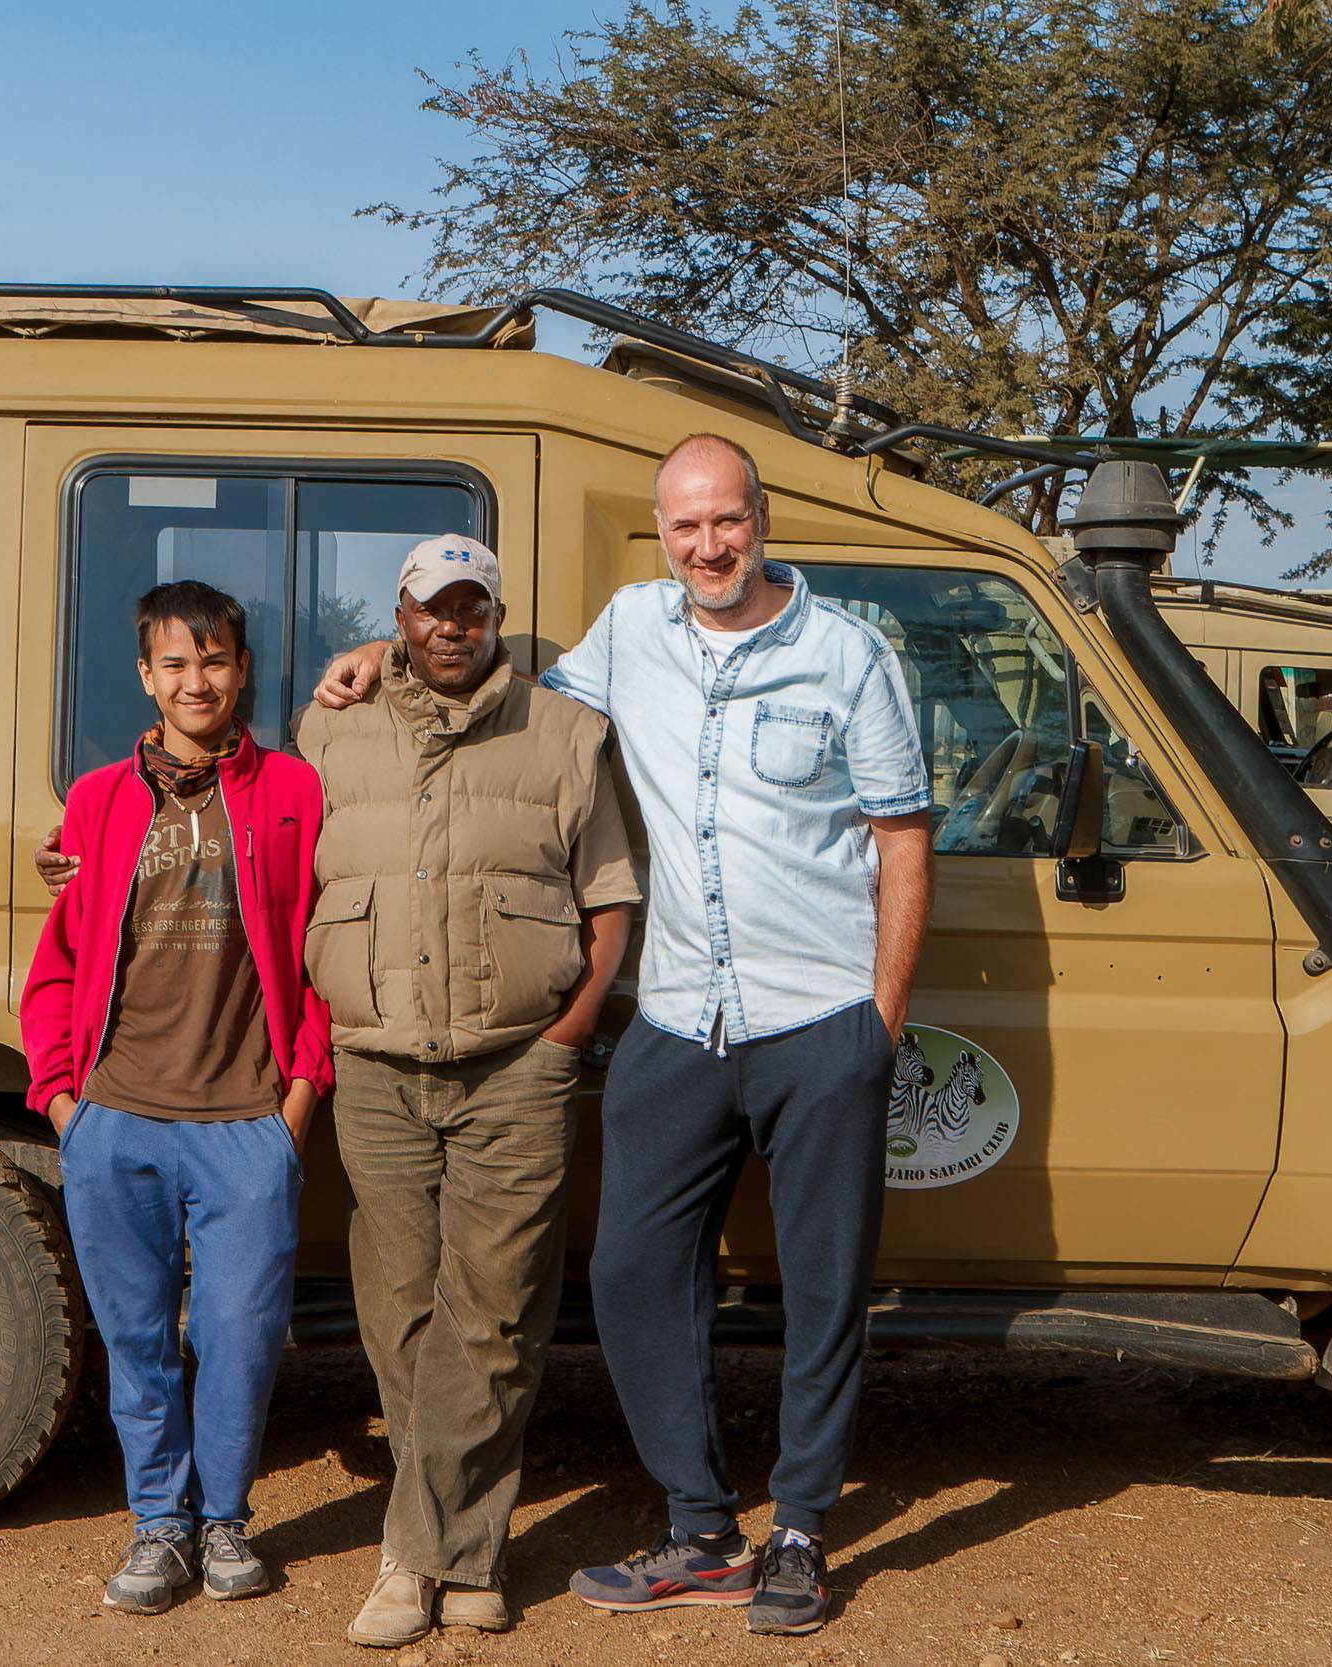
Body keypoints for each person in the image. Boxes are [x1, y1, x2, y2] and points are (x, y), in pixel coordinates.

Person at [316, 433, 933, 1638]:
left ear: (762, 518)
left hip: (817, 1012)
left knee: (823, 1286)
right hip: (678, 1012)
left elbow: (901, 837)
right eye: (685, 525)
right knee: (633, 1273)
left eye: (726, 520)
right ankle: (702, 1530)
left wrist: (880, 1020)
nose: (708, 544)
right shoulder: (631, 628)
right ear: (663, 533)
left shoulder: (848, 653)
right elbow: (503, 688)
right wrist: (375, 658)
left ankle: (802, 1529)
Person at [293, 536, 637, 1647]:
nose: (452, 625)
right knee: (399, 1312)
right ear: (399, 614)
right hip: (375, 1065)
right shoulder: (328, 729)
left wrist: (568, 1032)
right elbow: (263, 853)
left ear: (495, 615)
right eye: (430, 607)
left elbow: (609, 897)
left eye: (471, 607)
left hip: (516, 1065)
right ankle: (470, 1555)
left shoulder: (567, 732)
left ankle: (415, 1560)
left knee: (494, 1313)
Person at [20, 580, 331, 1616]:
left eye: (215, 660)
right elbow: (60, 961)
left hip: (248, 1123)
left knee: (240, 1334)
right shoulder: (99, 800)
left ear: (242, 671)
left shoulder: (293, 790)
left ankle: (226, 1518)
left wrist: (296, 1105)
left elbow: (320, 954)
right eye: (175, 663)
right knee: (138, 1338)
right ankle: (159, 1521)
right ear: (146, 676)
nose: (197, 680)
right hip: (116, 1119)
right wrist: (63, 1101)